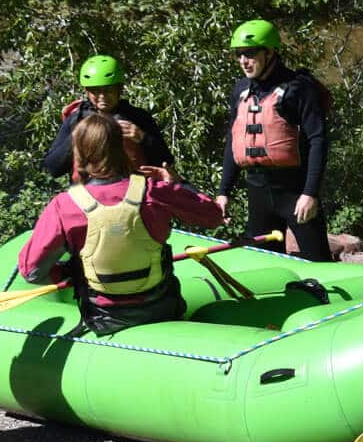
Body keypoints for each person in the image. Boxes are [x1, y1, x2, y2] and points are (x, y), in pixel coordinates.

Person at [19, 113, 226, 335]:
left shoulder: (64, 206)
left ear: (79, 154)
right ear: (121, 149)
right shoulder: (153, 191)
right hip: (163, 310)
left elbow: (32, 272)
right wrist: (175, 182)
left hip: (103, 318)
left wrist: (69, 271)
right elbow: (214, 216)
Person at [215, 19, 330, 259]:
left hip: (295, 192)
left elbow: (318, 139)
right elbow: (233, 141)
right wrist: (224, 191)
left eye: (250, 54)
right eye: (238, 55)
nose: (243, 61)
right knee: (263, 263)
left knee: (318, 263)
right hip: (258, 193)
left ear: (269, 52)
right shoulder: (240, 90)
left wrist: (310, 194)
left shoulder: (298, 88)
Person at [42, 55, 174, 180]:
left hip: (135, 193)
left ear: (119, 89)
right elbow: (52, 169)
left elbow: (166, 163)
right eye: (95, 91)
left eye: (108, 90)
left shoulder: (138, 117)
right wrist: (78, 135)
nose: (102, 97)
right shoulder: (76, 119)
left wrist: (143, 137)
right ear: (87, 91)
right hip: (87, 196)